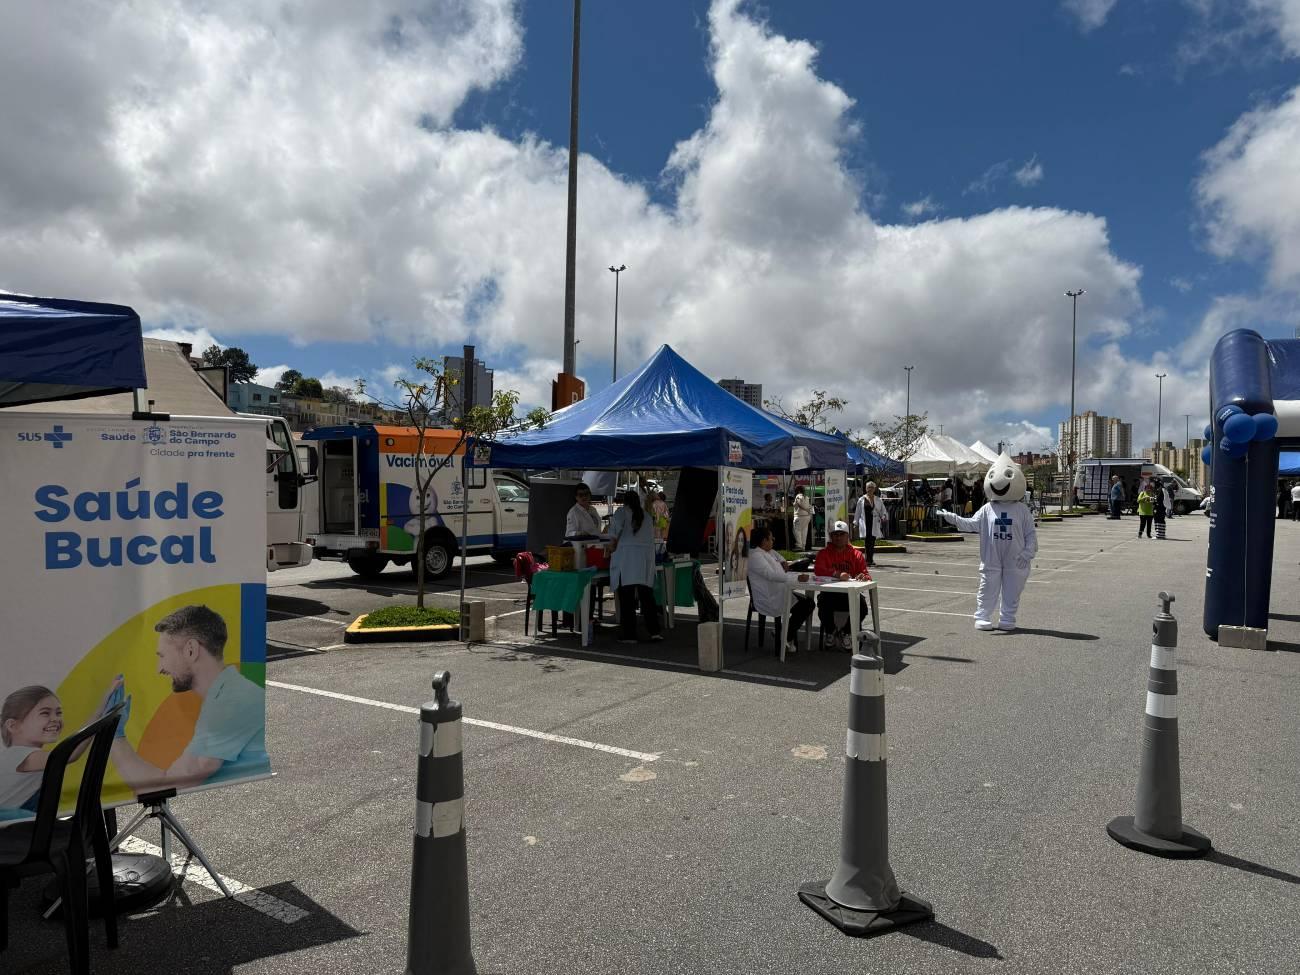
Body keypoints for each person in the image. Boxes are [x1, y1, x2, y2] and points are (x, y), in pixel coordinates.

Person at [110, 605, 267, 792]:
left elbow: (164, 785)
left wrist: (115, 736)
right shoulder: (229, 694)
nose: (159, 668)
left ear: (191, 650)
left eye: (162, 656)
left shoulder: (231, 702)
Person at [936, 453, 1037, 631]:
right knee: (987, 587)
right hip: (991, 557)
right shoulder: (987, 509)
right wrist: (952, 518)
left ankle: (1007, 618)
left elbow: (1030, 535)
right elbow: (971, 524)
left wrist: (1028, 553)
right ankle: (982, 616)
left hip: (1016, 558)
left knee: (1012, 589)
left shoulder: (1022, 510)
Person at [1, 683, 121, 815]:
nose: (55, 719)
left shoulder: (17, 754)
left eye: (58, 713)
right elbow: (69, 755)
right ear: (13, 725)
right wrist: (100, 710)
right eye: (45, 713)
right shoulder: (19, 755)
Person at [747, 526, 815, 655]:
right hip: (768, 597)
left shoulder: (768, 552)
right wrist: (796, 577)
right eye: (771, 538)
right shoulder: (755, 556)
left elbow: (779, 557)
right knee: (806, 604)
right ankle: (784, 635)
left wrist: (783, 561)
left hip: (778, 592)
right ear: (763, 541)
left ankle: (784, 633)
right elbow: (770, 575)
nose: (773, 540)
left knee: (807, 603)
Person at [609, 491, 662, 644]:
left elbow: (614, 535)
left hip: (626, 561)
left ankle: (629, 634)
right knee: (647, 598)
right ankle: (654, 632)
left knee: (627, 599)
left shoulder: (621, 513)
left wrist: (610, 549)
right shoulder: (646, 515)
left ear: (624, 502)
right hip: (645, 561)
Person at [813, 521, 871, 650]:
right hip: (830, 594)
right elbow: (818, 570)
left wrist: (863, 576)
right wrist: (836, 573)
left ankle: (847, 632)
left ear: (847, 536)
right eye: (835, 534)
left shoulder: (857, 555)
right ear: (831, 536)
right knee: (822, 603)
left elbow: (866, 575)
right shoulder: (823, 553)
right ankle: (831, 631)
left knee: (862, 607)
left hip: (850, 595)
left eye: (841, 534)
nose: (838, 537)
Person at [853, 481, 889, 567]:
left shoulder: (878, 499)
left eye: (872, 487)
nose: (870, 489)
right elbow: (857, 512)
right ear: (866, 489)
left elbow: (883, 510)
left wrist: (884, 516)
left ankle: (870, 559)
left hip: (874, 522)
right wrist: (855, 522)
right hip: (865, 522)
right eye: (869, 487)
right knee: (867, 541)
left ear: (874, 489)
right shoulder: (861, 499)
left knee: (872, 541)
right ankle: (867, 560)